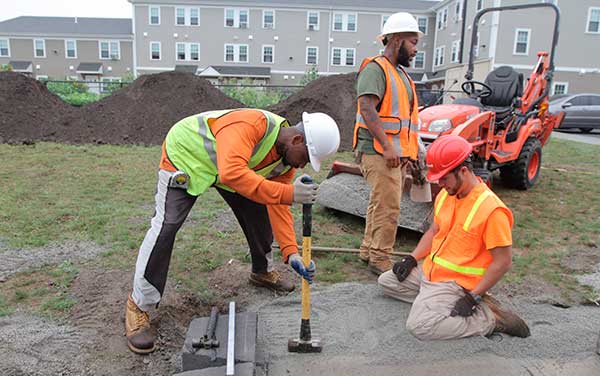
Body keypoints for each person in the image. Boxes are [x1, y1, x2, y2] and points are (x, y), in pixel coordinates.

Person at [125, 108, 340, 354]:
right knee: (167, 224)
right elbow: (233, 173)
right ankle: (138, 305)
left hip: (231, 170)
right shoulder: (251, 125)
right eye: (306, 157)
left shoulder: (284, 164)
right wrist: (290, 194)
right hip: (187, 155)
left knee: (259, 211)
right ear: (297, 139)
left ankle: (263, 272)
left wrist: (292, 253)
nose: (302, 165)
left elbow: (277, 204)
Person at [378, 135, 531, 340]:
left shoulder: (492, 210)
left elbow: (503, 262)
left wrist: (473, 296)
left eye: (444, 177)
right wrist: (412, 258)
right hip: (430, 272)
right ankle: (435, 303)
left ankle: (491, 318)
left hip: (456, 284)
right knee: (386, 281)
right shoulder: (447, 195)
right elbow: (434, 231)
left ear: (464, 171)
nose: (440, 184)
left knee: (420, 326)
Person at [353, 12, 423, 275]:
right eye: (412, 42)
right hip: (378, 152)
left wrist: (412, 152)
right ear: (395, 40)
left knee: (379, 202)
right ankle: (380, 258)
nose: (416, 49)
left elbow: (406, 122)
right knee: (388, 206)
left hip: (393, 153)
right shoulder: (376, 69)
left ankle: (369, 249)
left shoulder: (401, 75)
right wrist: (389, 146)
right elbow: (367, 108)